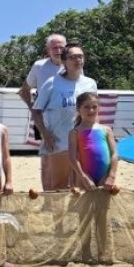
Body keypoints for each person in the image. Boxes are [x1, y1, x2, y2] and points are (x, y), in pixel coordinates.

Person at [31, 42, 96, 191]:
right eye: (73, 57)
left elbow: (94, 112)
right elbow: (36, 111)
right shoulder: (52, 83)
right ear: (64, 61)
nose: (78, 60)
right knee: (58, 187)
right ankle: (56, 215)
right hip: (60, 143)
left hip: (83, 142)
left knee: (81, 186)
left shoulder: (90, 83)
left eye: (81, 56)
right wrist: (45, 134)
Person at [66, 92, 118, 191]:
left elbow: (114, 154)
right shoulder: (74, 132)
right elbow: (72, 158)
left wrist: (111, 176)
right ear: (78, 109)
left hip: (105, 176)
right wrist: (83, 177)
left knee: (102, 206)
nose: (91, 110)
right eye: (86, 107)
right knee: (83, 206)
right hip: (84, 177)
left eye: (94, 107)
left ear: (99, 108)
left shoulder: (106, 130)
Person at [20, 33, 68, 110]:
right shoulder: (39, 66)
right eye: (54, 48)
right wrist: (33, 109)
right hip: (44, 116)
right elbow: (24, 90)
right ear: (48, 50)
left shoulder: (74, 65)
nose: (58, 51)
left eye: (61, 48)